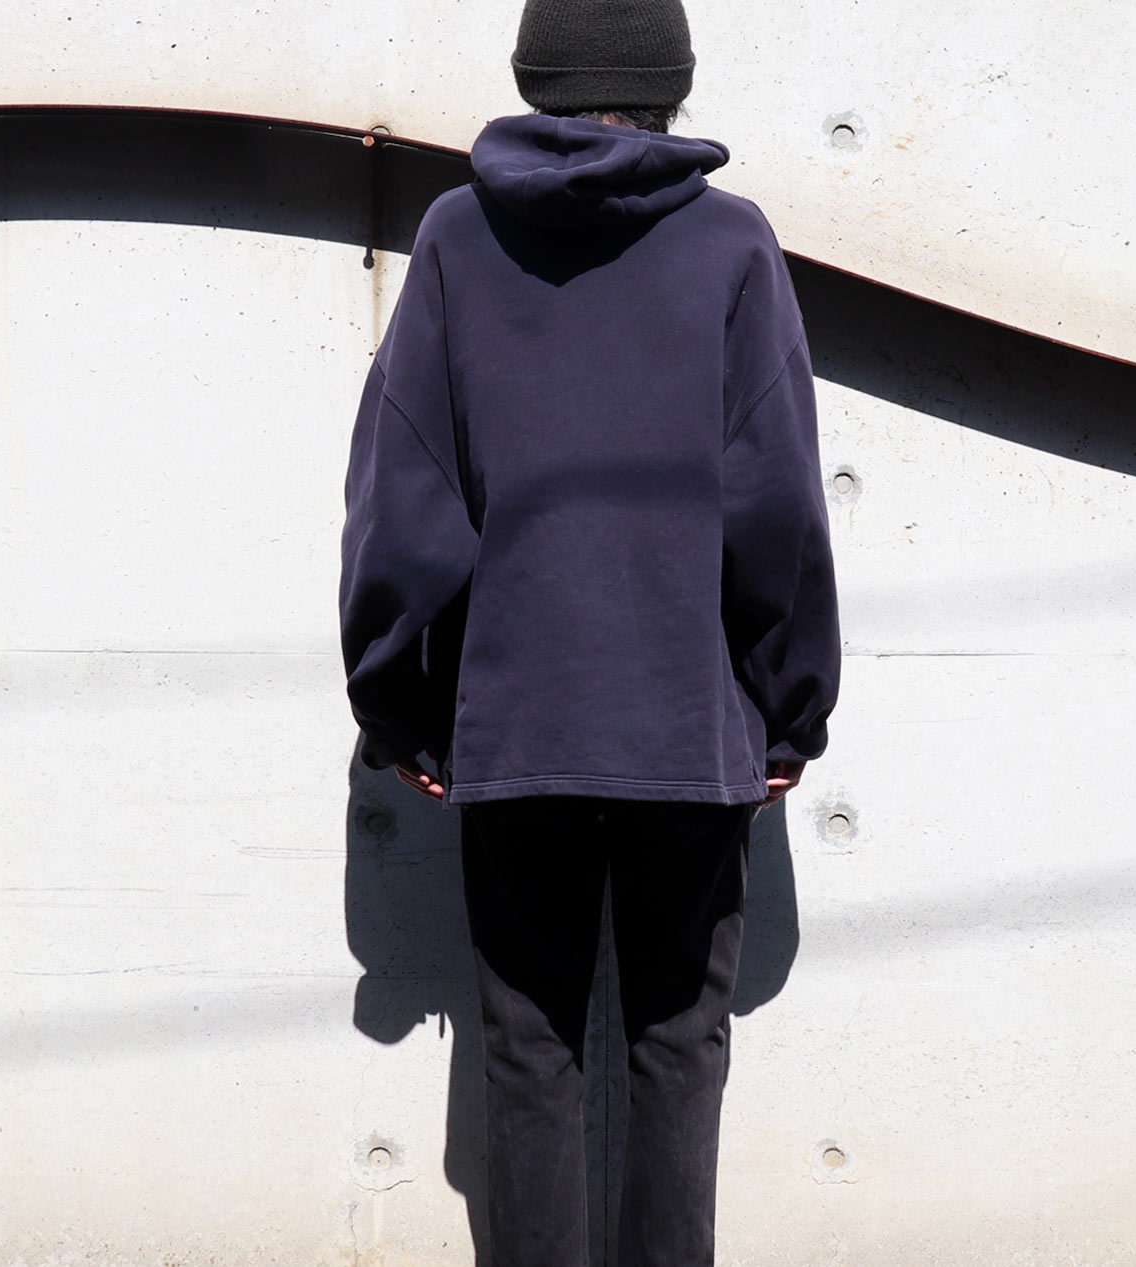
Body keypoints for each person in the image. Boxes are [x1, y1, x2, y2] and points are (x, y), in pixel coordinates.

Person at [338, 0, 841, 1262]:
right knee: (677, 1042)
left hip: (516, 718)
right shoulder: (729, 242)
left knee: (527, 1047)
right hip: (687, 721)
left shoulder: (458, 237)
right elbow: (776, 497)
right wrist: (790, 705)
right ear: (672, 83)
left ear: (535, 76)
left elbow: (403, 493)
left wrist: (399, 702)